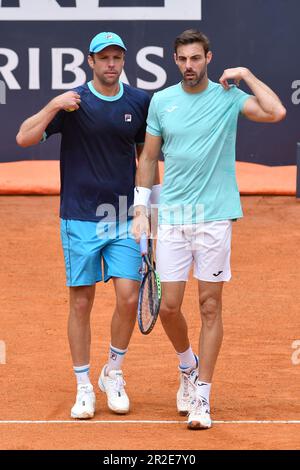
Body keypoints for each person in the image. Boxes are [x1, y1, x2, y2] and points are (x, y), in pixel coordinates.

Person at [132, 29, 286, 430]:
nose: (188, 66)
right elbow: (148, 158)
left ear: (208, 58)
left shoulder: (228, 97)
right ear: (174, 60)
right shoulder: (162, 102)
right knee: (168, 307)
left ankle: (202, 394)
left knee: (210, 306)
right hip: (173, 219)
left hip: (215, 217)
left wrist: (248, 74)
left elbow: (277, 112)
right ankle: (187, 364)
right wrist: (139, 207)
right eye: (182, 59)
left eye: (196, 58)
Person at [16, 31, 160, 419]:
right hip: (78, 218)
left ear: (123, 61)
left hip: (124, 215)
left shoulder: (138, 102)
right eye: (104, 58)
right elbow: (24, 137)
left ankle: (112, 372)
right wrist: (52, 105)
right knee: (81, 301)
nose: (111, 64)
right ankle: (83, 386)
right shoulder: (73, 104)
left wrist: (151, 210)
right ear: (91, 61)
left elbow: (147, 159)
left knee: (129, 297)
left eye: (117, 57)